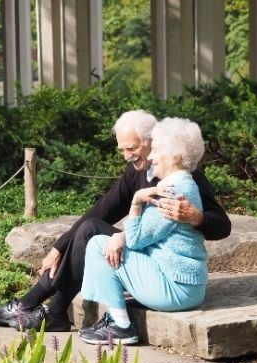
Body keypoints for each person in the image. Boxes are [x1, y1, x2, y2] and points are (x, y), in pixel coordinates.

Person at [0, 110, 230, 332]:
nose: (126, 156)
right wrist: (59, 246)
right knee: (90, 228)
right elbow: (101, 211)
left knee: (93, 235)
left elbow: (222, 225)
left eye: (132, 148)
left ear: (151, 141)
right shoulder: (136, 172)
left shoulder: (183, 177)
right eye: (122, 149)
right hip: (148, 255)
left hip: (161, 266)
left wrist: (196, 217)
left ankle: (41, 309)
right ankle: (36, 307)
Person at [79, 117, 209, 345]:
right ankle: (114, 317)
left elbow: (137, 238)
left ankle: (120, 326)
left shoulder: (173, 190)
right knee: (107, 242)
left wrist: (136, 202)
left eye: (157, 150)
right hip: (185, 286)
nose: (151, 156)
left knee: (99, 244)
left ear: (176, 157)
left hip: (176, 290)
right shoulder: (181, 184)